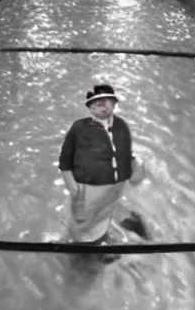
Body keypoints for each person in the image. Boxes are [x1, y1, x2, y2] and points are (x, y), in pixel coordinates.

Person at [58, 84, 143, 265]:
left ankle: (98, 242)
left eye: (107, 102)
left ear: (114, 104)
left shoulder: (121, 126)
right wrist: (71, 184)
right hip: (87, 186)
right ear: (90, 107)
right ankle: (81, 249)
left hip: (113, 187)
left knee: (102, 217)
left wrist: (135, 166)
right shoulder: (79, 128)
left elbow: (125, 152)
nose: (103, 106)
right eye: (98, 103)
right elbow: (65, 160)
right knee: (81, 220)